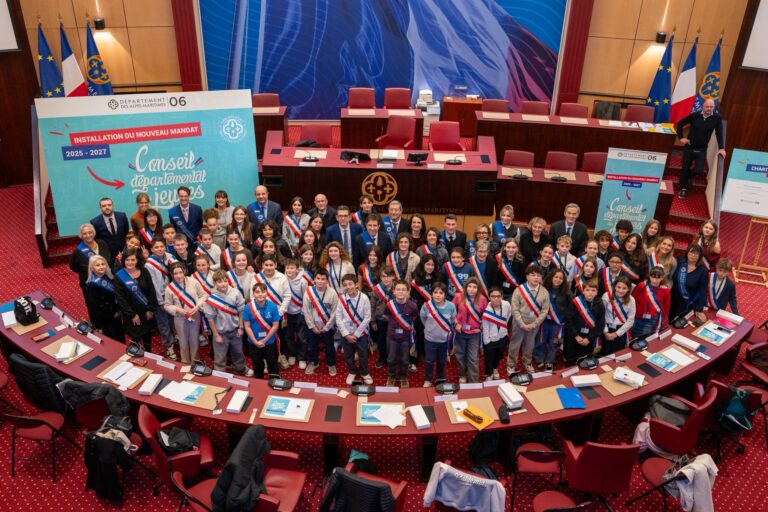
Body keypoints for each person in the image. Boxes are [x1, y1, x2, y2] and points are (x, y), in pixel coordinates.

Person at [202, 269, 251, 376]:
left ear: (228, 281)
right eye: (219, 282)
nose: (223, 284)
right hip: (221, 333)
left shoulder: (235, 293)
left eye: (225, 281)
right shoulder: (212, 298)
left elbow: (241, 311)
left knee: (238, 354)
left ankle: (241, 370)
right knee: (220, 357)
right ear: (215, 283)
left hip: (235, 331)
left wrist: (241, 327)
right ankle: (220, 375)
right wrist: (216, 335)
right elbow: (210, 319)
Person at [676, 98, 726, 198]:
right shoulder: (695, 116)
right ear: (703, 106)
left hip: (702, 149)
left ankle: (687, 177)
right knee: (685, 168)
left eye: (711, 107)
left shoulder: (716, 118)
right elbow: (680, 124)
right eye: (707, 106)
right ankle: (683, 188)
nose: (709, 108)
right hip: (689, 147)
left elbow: (719, 133)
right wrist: (681, 137)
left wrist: (721, 148)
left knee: (699, 170)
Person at [508, 264, 549, 375]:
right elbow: (514, 309)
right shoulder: (519, 290)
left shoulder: (544, 292)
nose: (536, 277)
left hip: (533, 325)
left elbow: (545, 311)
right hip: (519, 323)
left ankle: (527, 363)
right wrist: (522, 324)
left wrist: (535, 324)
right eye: (533, 275)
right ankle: (511, 365)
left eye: (538, 275)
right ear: (527, 277)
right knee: (515, 345)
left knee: (529, 346)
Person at [113, 248, 157, 351]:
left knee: (147, 338)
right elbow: (120, 299)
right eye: (127, 260)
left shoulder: (144, 271)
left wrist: (150, 309)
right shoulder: (119, 276)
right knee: (135, 341)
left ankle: (149, 354)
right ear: (123, 261)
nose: (130, 262)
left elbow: (151, 290)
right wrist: (132, 315)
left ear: (137, 260)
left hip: (146, 312)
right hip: (131, 315)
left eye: (133, 260)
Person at [164, 262, 207, 364]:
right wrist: (177, 309)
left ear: (184, 272)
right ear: (172, 274)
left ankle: (195, 361)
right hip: (180, 318)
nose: (178, 276)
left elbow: (203, 295)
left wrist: (197, 306)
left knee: (194, 340)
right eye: (175, 273)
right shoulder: (169, 288)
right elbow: (167, 305)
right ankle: (185, 362)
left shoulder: (193, 281)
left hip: (194, 315)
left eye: (180, 272)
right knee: (183, 342)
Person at [336, 273, 373, 385]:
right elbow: (338, 317)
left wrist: (356, 334)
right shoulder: (342, 299)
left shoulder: (364, 298)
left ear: (356, 284)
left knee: (363, 354)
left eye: (350, 284)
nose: (348, 287)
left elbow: (367, 318)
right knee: (348, 354)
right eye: (345, 285)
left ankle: (364, 372)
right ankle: (352, 371)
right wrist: (346, 334)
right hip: (346, 333)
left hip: (360, 333)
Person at [144, 238, 177, 359]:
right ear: (152, 249)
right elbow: (153, 285)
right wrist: (160, 301)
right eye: (156, 247)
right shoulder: (149, 264)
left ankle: (173, 338)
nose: (159, 249)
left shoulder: (169, 256)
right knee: (164, 323)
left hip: (172, 294)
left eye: (161, 246)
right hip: (160, 296)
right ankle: (169, 346)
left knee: (172, 319)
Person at [302, 268, 339, 376]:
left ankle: (331, 364)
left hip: (327, 327)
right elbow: (306, 310)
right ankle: (314, 362)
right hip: (313, 326)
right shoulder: (309, 291)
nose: (320, 281)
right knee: (312, 346)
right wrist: (312, 326)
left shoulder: (332, 293)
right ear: (314, 280)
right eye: (318, 278)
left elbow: (335, 312)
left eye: (323, 279)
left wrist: (327, 327)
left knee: (329, 346)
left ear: (327, 281)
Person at [409, 253, 441, 371]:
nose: (430, 267)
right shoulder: (415, 279)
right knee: (419, 335)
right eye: (428, 264)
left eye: (432, 265)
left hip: (435, 311)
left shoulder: (437, 277)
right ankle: (415, 360)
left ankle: (429, 355)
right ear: (422, 265)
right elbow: (413, 297)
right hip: (421, 312)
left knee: (432, 334)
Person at [452, 277, 487, 384]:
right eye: (469, 286)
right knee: (460, 354)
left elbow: (486, 315)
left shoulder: (482, 299)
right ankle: (462, 374)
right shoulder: (458, 296)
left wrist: (482, 324)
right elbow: (451, 311)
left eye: (474, 287)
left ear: (478, 289)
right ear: (466, 287)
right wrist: (456, 323)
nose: (471, 289)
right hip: (460, 331)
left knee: (473, 358)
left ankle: (473, 381)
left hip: (474, 333)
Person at [420, 282, 456, 387]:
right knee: (429, 361)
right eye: (435, 292)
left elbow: (453, 320)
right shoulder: (426, 306)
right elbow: (423, 319)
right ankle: (428, 379)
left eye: (441, 293)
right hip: (430, 339)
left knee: (442, 361)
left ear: (445, 294)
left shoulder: (451, 306)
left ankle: (440, 378)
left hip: (444, 340)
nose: (438, 295)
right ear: (431, 294)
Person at [534, 268, 569, 372]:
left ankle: (550, 360)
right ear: (551, 277)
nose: (558, 280)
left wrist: (563, 320)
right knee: (541, 340)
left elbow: (570, 307)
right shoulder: (543, 289)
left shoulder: (566, 291)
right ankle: (539, 358)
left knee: (555, 342)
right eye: (556, 277)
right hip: (544, 321)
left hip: (558, 322)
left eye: (561, 278)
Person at [244, 282, 281, 379]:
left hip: (269, 342)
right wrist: (255, 342)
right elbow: (247, 327)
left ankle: (274, 382)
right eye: (257, 292)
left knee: (273, 365)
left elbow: (275, 326)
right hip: (253, 342)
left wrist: (264, 340)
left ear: (267, 293)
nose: (260, 294)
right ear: (253, 294)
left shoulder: (273, 306)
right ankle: (259, 384)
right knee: (257, 366)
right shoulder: (248, 307)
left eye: (263, 292)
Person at [564, 279, 605, 366]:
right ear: (583, 291)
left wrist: (589, 338)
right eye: (587, 290)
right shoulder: (576, 302)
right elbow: (569, 319)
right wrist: (576, 336)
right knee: (570, 358)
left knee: (584, 359)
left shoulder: (600, 303)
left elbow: (600, 324)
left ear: (597, 292)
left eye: (593, 290)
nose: (590, 293)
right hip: (574, 336)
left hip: (588, 338)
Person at [385, 280, 418, 387]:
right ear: (393, 291)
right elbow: (387, 316)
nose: (400, 292)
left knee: (405, 359)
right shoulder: (389, 305)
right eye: (398, 289)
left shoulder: (413, 306)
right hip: (392, 337)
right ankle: (391, 376)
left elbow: (414, 316)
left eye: (403, 290)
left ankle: (403, 376)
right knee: (391, 358)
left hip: (405, 337)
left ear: (408, 292)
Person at [84, 255, 124, 342]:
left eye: (103, 264)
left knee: (120, 338)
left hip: (117, 314)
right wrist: (112, 314)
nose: (101, 267)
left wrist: (118, 310)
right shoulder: (91, 285)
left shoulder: (109, 278)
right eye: (97, 265)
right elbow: (95, 307)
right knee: (113, 341)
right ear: (92, 268)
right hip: (106, 319)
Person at [70, 223, 111, 301]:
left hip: (106, 280)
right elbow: (73, 267)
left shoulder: (102, 243)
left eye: (90, 232)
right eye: (84, 234)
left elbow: (109, 259)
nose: (88, 235)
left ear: (94, 233)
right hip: (90, 283)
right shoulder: (78, 251)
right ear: (81, 236)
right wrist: (87, 271)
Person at [671, 244, 709, 323]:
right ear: (687, 253)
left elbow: (703, 291)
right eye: (691, 252)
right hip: (672, 300)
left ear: (700, 256)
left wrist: (700, 309)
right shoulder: (679, 261)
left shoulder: (703, 271)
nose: (693, 255)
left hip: (687, 304)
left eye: (696, 254)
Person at [481, 286, 511, 381]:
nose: (496, 298)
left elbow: (509, 315)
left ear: (502, 296)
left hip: (502, 337)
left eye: (498, 296)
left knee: (499, 355)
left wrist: (504, 329)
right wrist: (487, 342)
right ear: (489, 297)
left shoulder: (506, 304)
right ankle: (489, 373)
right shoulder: (487, 310)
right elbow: (485, 328)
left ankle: (495, 368)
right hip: (490, 339)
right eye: (493, 296)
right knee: (488, 358)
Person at [283, 259, 309, 369]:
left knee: (302, 337)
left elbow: (306, 298)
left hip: (300, 313)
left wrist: (303, 312)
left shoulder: (303, 281)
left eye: (292, 268)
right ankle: (292, 354)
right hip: (287, 313)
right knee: (289, 336)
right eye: (287, 268)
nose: (290, 270)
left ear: (296, 269)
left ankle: (302, 357)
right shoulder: (282, 279)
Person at [632, 266, 671, 337]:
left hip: (652, 318)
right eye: (653, 277)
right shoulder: (641, 285)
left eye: (658, 278)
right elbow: (633, 299)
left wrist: (665, 319)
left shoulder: (666, 290)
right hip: (638, 316)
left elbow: (666, 306)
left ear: (662, 278)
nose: (654, 280)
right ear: (649, 276)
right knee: (634, 336)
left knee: (646, 337)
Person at [601, 276, 636, 356]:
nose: (621, 290)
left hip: (621, 330)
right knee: (605, 352)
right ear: (614, 287)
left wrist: (617, 334)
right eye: (618, 287)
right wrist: (605, 332)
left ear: (628, 289)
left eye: (624, 288)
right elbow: (601, 315)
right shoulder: (606, 296)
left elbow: (631, 320)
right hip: (606, 328)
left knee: (617, 353)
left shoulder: (631, 300)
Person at [370, 266, 396, 368]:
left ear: (393, 277)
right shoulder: (376, 289)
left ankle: (392, 358)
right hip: (380, 319)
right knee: (381, 341)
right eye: (384, 276)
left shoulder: (397, 288)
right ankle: (382, 357)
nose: (386, 279)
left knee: (393, 341)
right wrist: (372, 321)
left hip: (394, 320)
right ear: (380, 277)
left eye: (389, 276)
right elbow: (372, 306)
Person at [90, 197, 129, 263]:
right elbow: (97, 239)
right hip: (107, 254)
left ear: (112, 206)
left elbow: (126, 230)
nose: (107, 207)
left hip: (123, 251)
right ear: (100, 208)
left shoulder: (122, 216)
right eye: (104, 206)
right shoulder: (94, 222)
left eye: (109, 205)